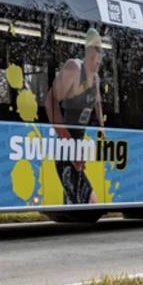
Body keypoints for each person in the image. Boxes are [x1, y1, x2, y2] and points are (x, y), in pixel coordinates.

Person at [44, 27, 105, 204]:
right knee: (90, 202)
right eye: (94, 58)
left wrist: (102, 128)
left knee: (74, 204)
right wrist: (68, 141)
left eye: (99, 59)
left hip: (78, 150)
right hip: (66, 149)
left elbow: (98, 103)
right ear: (87, 52)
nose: (97, 63)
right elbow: (50, 100)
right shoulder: (74, 67)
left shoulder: (96, 78)